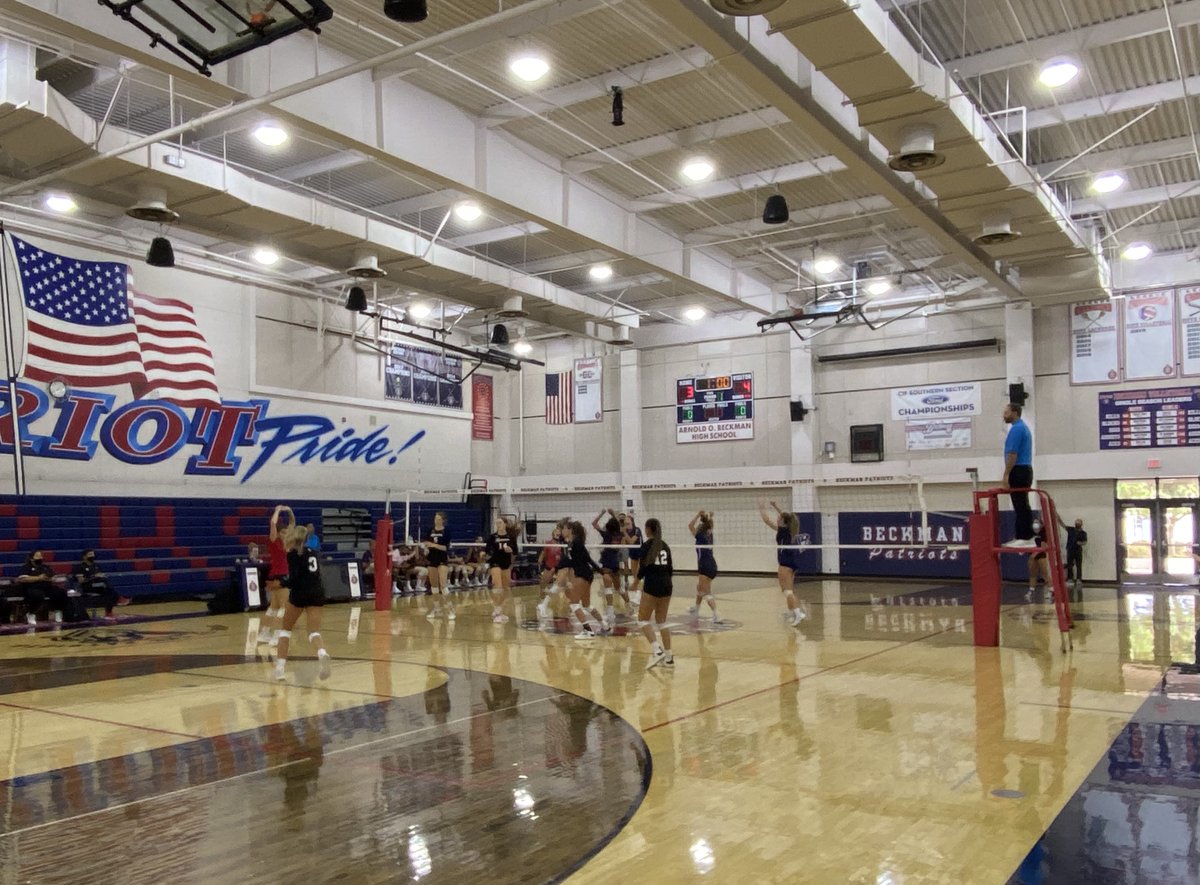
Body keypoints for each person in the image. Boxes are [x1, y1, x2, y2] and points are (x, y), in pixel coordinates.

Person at [274, 525, 331, 682]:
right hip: (317, 592)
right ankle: (322, 653)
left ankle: (280, 670)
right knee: (314, 632)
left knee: (285, 631)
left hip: (300, 594)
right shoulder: (314, 552)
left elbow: (294, 579)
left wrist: (281, 583)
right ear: (306, 539)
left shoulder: (293, 554)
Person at [630, 518, 674, 670]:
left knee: (642, 620)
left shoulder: (647, 545)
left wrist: (635, 582)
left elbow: (643, 567)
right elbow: (670, 569)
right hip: (667, 585)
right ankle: (669, 658)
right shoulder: (665, 545)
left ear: (648, 529)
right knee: (662, 621)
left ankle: (657, 650)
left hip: (653, 584)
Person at [760, 500, 805, 626]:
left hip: (785, 564)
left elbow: (767, 520)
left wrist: (762, 508)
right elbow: (786, 517)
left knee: (787, 592)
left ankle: (797, 614)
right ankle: (795, 612)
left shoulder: (783, 530)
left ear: (783, 521)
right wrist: (775, 506)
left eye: (779, 518)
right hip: (791, 563)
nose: (777, 518)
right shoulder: (788, 529)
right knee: (788, 591)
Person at [260, 504, 294, 646]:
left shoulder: (287, 543)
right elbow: (273, 523)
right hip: (280, 576)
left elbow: (292, 524)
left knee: (273, 608)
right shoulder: (274, 541)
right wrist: (277, 510)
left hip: (278, 575)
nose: (286, 534)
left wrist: (290, 511)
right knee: (284, 608)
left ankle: (264, 633)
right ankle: (276, 636)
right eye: (283, 532)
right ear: (279, 533)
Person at [1002, 402, 1036, 546]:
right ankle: (1027, 535)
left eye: (1006, 412)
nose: (1004, 415)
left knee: (1020, 504)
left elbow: (1012, 454)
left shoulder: (1016, 429)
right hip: (1025, 469)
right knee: (1022, 503)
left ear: (1014, 413)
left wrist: (1006, 474)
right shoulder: (1023, 428)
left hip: (1019, 470)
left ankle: (1023, 537)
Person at [565, 521, 605, 637]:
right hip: (585, 574)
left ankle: (588, 630)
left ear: (570, 530)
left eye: (564, 528)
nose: (562, 531)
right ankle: (604, 625)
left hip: (583, 574)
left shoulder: (576, 543)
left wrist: (602, 572)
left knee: (573, 603)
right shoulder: (572, 543)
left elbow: (588, 559)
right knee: (586, 605)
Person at [592, 509, 627, 628]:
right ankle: (627, 605)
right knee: (617, 588)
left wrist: (602, 513)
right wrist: (613, 514)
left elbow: (594, 523)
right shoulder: (620, 534)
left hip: (607, 563)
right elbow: (619, 526)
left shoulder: (606, 534)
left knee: (609, 588)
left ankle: (611, 612)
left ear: (608, 526)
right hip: (614, 563)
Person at [13, 550, 66, 625]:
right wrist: (39, 578)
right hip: (32, 587)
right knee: (37, 595)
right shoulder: (26, 567)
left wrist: (49, 578)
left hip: (47, 587)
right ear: (31, 559)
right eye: (37, 556)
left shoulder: (45, 567)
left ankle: (58, 611)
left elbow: (53, 577)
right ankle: (31, 613)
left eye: (41, 556)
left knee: (60, 592)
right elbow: (23, 579)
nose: (40, 558)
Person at [687, 510, 721, 623]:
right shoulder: (709, 533)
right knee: (700, 587)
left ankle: (716, 615)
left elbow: (690, 526)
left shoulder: (700, 535)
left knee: (705, 592)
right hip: (712, 565)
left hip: (705, 566)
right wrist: (709, 516)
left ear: (701, 527)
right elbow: (709, 523)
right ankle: (696, 609)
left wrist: (698, 515)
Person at [73, 549, 124, 619]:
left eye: (93, 554)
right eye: (90, 554)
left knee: (110, 591)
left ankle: (108, 612)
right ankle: (118, 598)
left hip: (97, 585)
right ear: (84, 556)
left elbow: (99, 575)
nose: (92, 556)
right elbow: (81, 581)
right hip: (86, 586)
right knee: (105, 582)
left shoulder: (96, 566)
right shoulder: (79, 567)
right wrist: (94, 576)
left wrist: (101, 576)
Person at [486, 516, 519, 623]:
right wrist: (485, 555)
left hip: (505, 563)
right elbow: (487, 551)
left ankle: (498, 609)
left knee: (505, 588)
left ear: (505, 524)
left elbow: (515, 551)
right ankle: (497, 613)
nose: (498, 525)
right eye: (497, 523)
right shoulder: (492, 537)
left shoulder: (511, 537)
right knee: (498, 587)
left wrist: (510, 551)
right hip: (495, 562)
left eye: (500, 523)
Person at [423, 512, 455, 620]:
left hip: (442, 560)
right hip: (432, 559)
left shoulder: (446, 531)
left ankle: (450, 609)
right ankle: (437, 608)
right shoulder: (430, 530)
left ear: (443, 520)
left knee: (443, 585)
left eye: (438, 518)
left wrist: (433, 545)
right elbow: (426, 543)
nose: (436, 520)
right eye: (435, 518)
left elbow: (445, 548)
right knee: (434, 586)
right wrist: (426, 548)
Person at [537, 524, 564, 619]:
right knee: (543, 585)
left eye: (559, 532)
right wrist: (540, 560)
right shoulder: (548, 543)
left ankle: (571, 605)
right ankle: (541, 604)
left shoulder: (562, 544)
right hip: (549, 566)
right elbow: (543, 553)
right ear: (553, 533)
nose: (557, 533)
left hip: (559, 567)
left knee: (563, 586)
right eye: (556, 531)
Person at [623, 513, 644, 605]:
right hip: (632, 554)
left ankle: (639, 595)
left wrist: (624, 533)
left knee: (639, 575)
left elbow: (631, 542)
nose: (626, 521)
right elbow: (625, 544)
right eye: (625, 520)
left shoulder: (637, 530)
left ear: (632, 521)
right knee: (634, 575)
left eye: (628, 519)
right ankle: (638, 594)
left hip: (641, 554)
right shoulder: (625, 531)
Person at [1063, 517, 1087, 585]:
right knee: (1070, 565)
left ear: (1081, 524)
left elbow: (1085, 542)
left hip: (1078, 551)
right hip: (1070, 549)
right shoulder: (1071, 529)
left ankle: (1079, 579)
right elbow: (1063, 525)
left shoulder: (1083, 533)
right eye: (1076, 522)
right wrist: (1057, 517)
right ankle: (1070, 579)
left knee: (1078, 565)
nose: (1077, 523)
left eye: (1079, 522)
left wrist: (1081, 543)